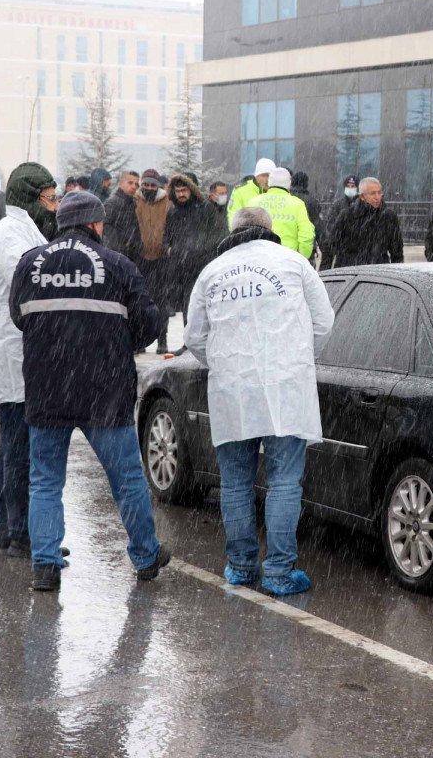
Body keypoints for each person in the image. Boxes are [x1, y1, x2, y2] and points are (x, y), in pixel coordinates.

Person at [9, 190, 169, 592]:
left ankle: (45, 565)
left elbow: (18, 317)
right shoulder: (117, 265)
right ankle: (146, 556)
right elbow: (149, 325)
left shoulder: (30, 265)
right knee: (127, 479)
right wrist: (113, 341)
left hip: (47, 390)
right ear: (96, 224)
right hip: (105, 391)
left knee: (45, 480)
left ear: (62, 223)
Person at [183, 206, 334, 595]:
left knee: (235, 483)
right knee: (284, 481)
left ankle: (241, 565)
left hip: (232, 391)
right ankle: (280, 571)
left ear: (234, 231)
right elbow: (324, 323)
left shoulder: (212, 272)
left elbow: (195, 336)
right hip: (285, 387)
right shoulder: (294, 264)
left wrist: (224, 363)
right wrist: (294, 355)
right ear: (270, 230)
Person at [0, 162, 59, 554]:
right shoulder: (11, 233)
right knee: (19, 446)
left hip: (19, 352)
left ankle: (2, 529)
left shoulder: (26, 229)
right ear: (31, 197)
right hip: (12, 353)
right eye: (50, 197)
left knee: (11, 445)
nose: (56, 205)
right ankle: (20, 534)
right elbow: (30, 280)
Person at [164, 173, 228, 327]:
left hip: (204, 266)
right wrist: (170, 249)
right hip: (183, 269)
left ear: (191, 190)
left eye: (184, 190)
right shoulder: (173, 212)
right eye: (178, 191)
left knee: (207, 306)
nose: (181, 194)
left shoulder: (206, 208)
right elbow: (167, 236)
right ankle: (188, 342)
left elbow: (218, 234)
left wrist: (199, 250)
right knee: (188, 306)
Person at [134, 168, 173, 352]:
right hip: (140, 258)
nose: (149, 188)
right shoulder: (134, 200)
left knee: (161, 303)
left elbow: (173, 227)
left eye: (152, 185)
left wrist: (167, 246)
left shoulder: (167, 202)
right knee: (140, 301)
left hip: (162, 259)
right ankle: (141, 341)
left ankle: (162, 340)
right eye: (146, 184)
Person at [327, 177, 404, 268]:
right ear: (362, 196)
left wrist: (397, 273)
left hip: (379, 272)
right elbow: (331, 246)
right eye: (372, 193)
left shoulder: (388, 217)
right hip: (350, 271)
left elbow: (397, 251)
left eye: (379, 192)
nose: (377, 197)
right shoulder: (347, 216)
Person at [246, 167, 315, 259]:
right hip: (287, 259)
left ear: (269, 182)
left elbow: (244, 231)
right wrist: (303, 257)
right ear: (289, 184)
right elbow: (307, 235)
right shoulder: (297, 204)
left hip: (259, 258)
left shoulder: (254, 202)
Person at [320, 175, 359, 269]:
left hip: (358, 251)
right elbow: (331, 226)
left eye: (353, 186)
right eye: (348, 186)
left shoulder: (362, 204)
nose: (350, 188)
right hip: (342, 251)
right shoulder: (338, 205)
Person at [103, 169, 141, 260]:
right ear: (121, 183)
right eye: (130, 183)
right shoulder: (112, 203)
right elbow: (106, 230)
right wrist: (119, 252)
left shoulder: (132, 204)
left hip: (129, 256)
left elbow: (133, 229)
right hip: (115, 256)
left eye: (136, 184)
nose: (134, 187)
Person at [227, 159, 274, 226]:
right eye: (264, 175)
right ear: (256, 176)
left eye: (270, 176)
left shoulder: (278, 192)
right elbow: (233, 217)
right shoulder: (241, 191)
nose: (267, 179)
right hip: (249, 234)